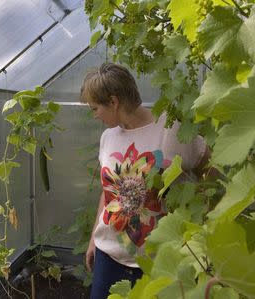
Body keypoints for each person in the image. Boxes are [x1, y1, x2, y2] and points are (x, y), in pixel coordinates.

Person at [80, 63, 209, 299]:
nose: (94, 114)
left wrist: (203, 213)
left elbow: (207, 167)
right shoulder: (108, 137)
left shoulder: (170, 130)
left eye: (95, 108)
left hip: (159, 260)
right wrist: (93, 241)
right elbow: (109, 192)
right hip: (109, 257)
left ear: (113, 101)